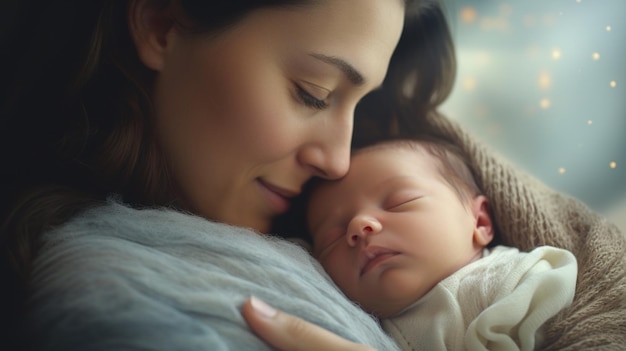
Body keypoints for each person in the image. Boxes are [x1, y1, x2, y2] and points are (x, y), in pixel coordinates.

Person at [0, 0, 457, 350]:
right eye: (313, 93)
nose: (339, 161)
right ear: (162, 25)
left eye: (361, 106)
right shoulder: (94, 286)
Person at [305, 138, 578, 350]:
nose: (358, 226)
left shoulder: (513, 278)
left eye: (400, 202)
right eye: (332, 238)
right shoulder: (358, 331)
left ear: (480, 222)